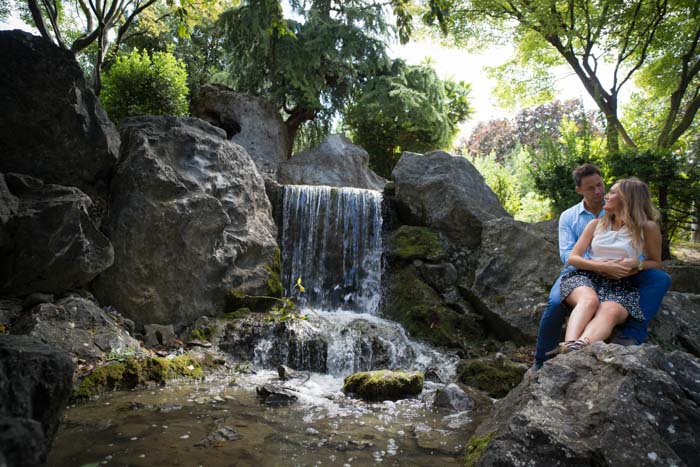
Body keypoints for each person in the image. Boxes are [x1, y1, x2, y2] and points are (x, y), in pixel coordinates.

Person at [533, 165, 671, 366]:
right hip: (582, 272)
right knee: (561, 303)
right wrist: (601, 266)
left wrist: (636, 264)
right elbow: (569, 256)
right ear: (579, 190)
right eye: (591, 188)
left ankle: (584, 344)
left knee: (619, 304)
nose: (602, 193)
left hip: (622, 279)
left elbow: (655, 261)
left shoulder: (645, 227)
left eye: (603, 187)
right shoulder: (580, 219)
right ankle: (543, 359)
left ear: (627, 199)